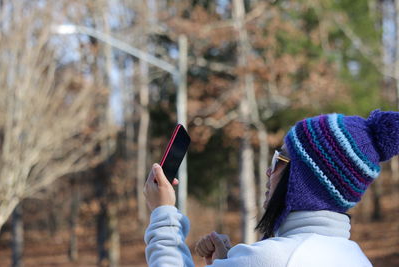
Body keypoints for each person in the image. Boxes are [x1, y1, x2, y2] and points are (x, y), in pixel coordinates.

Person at [144, 109, 399, 266]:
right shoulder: (356, 258)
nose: (269, 170)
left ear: (305, 179)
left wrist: (163, 214)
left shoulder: (277, 258)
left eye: (280, 160)